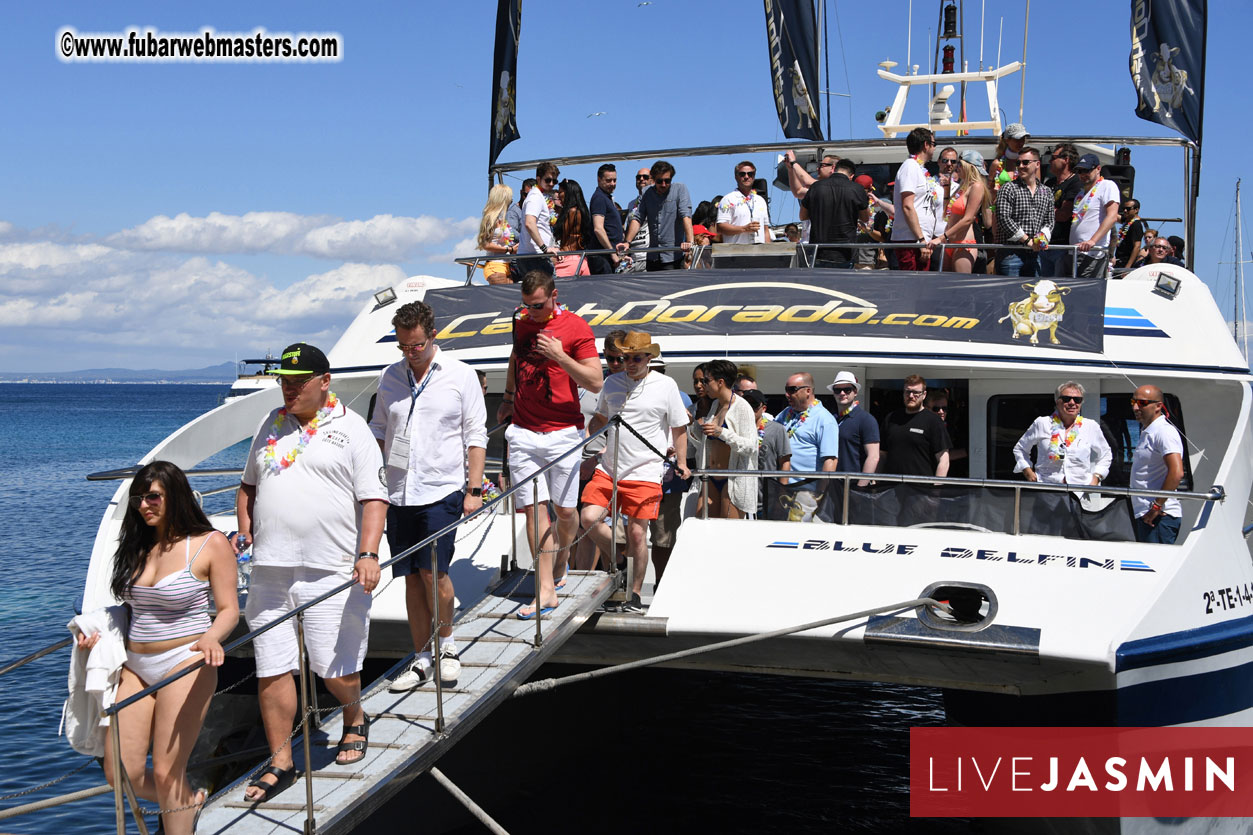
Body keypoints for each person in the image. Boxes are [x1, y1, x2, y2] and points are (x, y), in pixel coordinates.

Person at [236, 343, 387, 800]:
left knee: (331, 665)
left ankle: (354, 715)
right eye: (284, 380)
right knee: (273, 667)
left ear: (325, 382)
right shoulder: (271, 424)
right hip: (270, 569)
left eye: (298, 381)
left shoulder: (352, 428)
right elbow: (248, 486)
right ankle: (281, 760)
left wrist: (369, 554)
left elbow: (374, 498)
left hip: (332, 566)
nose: (288, 388)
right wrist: (244, 531)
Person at [79, 462, 237, 835]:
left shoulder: (209, 543)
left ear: (175, 496)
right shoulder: (139, 544)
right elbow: (129, 608)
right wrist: (97, 635)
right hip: (134, 664)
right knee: (121, 773)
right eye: (139, 498)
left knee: (168, 772)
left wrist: (212, 637)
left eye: (153, 497)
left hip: (185, 661)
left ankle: (179, 808)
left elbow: (229, 609)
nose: (144, 506)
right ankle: (188, 801)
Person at [371, 302, 487, 691]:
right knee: (409, 578)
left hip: (441, 489)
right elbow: (379, 432)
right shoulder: (389, 377)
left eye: (416, 344)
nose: (411, 352)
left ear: (432, 335)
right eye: (404, 346)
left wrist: (473, 489)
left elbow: (475, 435)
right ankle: (421, 658)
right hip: (398, 493)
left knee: (433, 572)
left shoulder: (460, 375)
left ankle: (448, 647)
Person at [497, 272, 603, 618]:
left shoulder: (576, 328)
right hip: (524, 431)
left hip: (563, 433)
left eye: (538, 306)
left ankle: (562, 560)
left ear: (554, 296)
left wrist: (559, 356)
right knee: (533, 509)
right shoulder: (521, 322)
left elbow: (595, 382)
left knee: (566, 512)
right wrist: (509, 397)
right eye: (526, 306)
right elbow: (516, 358)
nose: (532, 312)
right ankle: (544, 590)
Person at [581, 332, 690, 613]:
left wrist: (682, 461)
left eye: (635, 357)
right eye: (624, 358)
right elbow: (602, 417)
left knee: (638, 534)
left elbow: (679, 427)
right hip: (609, 468)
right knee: (588, 518)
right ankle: (620, 559)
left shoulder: (666, 385)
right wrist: (592, 439)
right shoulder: (612, 382)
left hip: (645, 470)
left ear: (649, 358)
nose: (629, 363)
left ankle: (635, 593)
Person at [689, 359, 758, 519]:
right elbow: (705, 441)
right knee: (703, 527)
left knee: (728, 534)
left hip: (732, 480)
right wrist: (692, 424)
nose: (703, 385)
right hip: (711, 477)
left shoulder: (742, 407)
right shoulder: (716, 406)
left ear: (720, 382)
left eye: (706, 380)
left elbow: (751, 446)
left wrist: (722, 433)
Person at [1013, 381, 1111, 487]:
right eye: (1066, 399)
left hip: (1080, 491)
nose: (1072, 403)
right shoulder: (1042, 423)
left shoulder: (1090, 426)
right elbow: (1020, 449)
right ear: (1057, 401)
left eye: (1077, 400)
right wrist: (1028, 471)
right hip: (1047, 488)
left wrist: (1097, 476)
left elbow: (1106, 454)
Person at [774, 372, 839, 522]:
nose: (787, 394)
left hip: (806, 494)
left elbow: (830, 461)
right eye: (786, 389)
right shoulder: (785, 414)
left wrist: (820, 497)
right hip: (781, 490)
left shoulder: (824, 419)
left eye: (792, 389)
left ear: (808, 391)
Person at [1130, 385, 1184, 544]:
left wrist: (1156, 506)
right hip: (1146, 513)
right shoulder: (1148, 431)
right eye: (1133, 401)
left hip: (1159, 516)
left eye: (1142, 403)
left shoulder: (1164, 432)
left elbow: (1177, 472)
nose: (1135, 407)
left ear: (1158, 406)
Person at [618, 160, 694, 271]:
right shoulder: (647, 193)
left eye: (667, 181)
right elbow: (638, 218)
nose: (663, 184)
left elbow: (685, 215)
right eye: (659, 181)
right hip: (652, 257)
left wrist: (689, 243)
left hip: (672, 257)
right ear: (653, 180)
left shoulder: (680, 189)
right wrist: (627, 243)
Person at [994, 147, 1053, 277]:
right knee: (1008, 294)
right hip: (1010, 253)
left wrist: (1041, 237)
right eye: (1018, 163)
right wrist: (1027, 241)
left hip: (1035, 254)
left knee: (1033, 294)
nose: (1020, 166)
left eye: (1025, 162)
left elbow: (1050, 221)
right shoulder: (1008, 188)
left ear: (1037, 164)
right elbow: (1004, 219)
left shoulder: (1046, 191)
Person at [801, 158, 869, 268]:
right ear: (851, 176)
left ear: (834, 169)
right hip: (845, 252)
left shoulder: (816, 187)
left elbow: (803, 216)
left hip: (819, 251)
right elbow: (865, 218)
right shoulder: (857, 189)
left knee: (819, 284)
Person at [891, 127, 942, 271]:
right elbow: (907, 206)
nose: (934, 148)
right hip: (910, 240)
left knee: (921, 288)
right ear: (926, 145)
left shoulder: (919, 169)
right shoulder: (910, 167)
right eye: (934, 144)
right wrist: (920, 239)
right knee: (912, 288)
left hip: (919, 240)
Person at [879, 375, 950, 477]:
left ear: (924, 395)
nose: (911, 396)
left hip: (921, 489)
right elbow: (882, 455)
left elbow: (944, 461)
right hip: (890, 488)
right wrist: (874, 480)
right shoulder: (891, 418)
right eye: (908, 392)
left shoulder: (934, 421)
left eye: (916, 392)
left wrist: (936, 489)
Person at [1065, 154, 1121, 278]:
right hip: (1074, 252)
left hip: (1091, 254)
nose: (1083, 174)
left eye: (1087, 170)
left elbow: (1112, 216)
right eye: (1079, 171)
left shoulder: (1107, 185)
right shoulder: (1080, 194)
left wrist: (1092, 241)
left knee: (1086, 293)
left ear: (1098, 169)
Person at [937, 155, 990, 273]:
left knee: (959, 287)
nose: (957, 167)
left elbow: (968, 219)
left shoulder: (977, 186)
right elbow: (947, 213)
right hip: (950, 243)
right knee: (945, 287)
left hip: (963, 244)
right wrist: (947, 189)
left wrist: (942, 237)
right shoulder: (962, 187)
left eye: (960, 164)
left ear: (969, 167)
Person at [828, 371, 879, 486]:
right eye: (837, 390)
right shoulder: (830, 419)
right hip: (831, 486)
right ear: (833, 393)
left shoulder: (866, 420)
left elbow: (874, 457)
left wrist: (860, 487)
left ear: (855, 392)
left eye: (847, 390)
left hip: (854, 487)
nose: (842, 393)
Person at [1040, 144, 1082, 277]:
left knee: (1057, 288)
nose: (1050, 162)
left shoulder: (1076, 182)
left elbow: (1064, 214)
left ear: (1066, 160)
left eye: (1053, 158)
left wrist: (1044, 212)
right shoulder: (1049, 183)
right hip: (1044, 244)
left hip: (1062, 248)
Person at [517, 161, 561, 277]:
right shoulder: (535, 197)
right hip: (534, 257)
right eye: (548, 180)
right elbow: (529, 223)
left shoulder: (537, 196)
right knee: (548, 292)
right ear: (538, 179)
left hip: (534, 256)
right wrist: (544, 248)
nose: (551, 184)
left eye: (554, 181)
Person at [717, 161, 770, 244]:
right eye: (742, 174)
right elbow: (721, 227)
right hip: (736, 253)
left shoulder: (761, 200)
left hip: (759, 252)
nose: (746, 176)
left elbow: (765, 230)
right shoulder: (727, 199)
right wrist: (744, 229)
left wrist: (769, 252)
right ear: (736, 177)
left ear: (754, 176)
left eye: (750, 174)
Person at [476, 183, 518, 285]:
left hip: (505, 265)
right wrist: (510, 249)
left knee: (511, 298)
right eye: (509, 199)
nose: (511, 202)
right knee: (505, 298)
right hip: (495, 265)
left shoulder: (501, 219)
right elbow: (485, 244)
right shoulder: (491, 218)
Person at [553, 178, 593, 278]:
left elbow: (564, 236)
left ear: (568, 193)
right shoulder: (582, 211)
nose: (558, 195)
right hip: (582, 260)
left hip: (568, 260)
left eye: (560, 192)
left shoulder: (571, 212)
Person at [589, 164, 624, 274]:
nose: (612, 184)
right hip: (602, 258)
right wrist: (612, 253)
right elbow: (598, 229)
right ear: (599, 180)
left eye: (614, 180)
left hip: (608, 257)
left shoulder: (606, 198)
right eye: (608, 180)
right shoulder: (599, 198)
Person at [624, 167, 652, 273]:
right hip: (633, 256)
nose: (641, 179)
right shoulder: (631, 204)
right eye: (638, 177)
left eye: (645, 177)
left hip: (646, 256)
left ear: (652, 180)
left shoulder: (656, 202)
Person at [1115, 199, 1147, 270]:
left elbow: (1137, 246)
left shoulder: (1136, 224)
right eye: (1124, 208)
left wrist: (1128, 267)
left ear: (1136, 210)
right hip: (1118, 261)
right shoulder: (1127, 221)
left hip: (1126, 263)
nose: (1125, 211)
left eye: (1128, 209)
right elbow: (1115, 216)